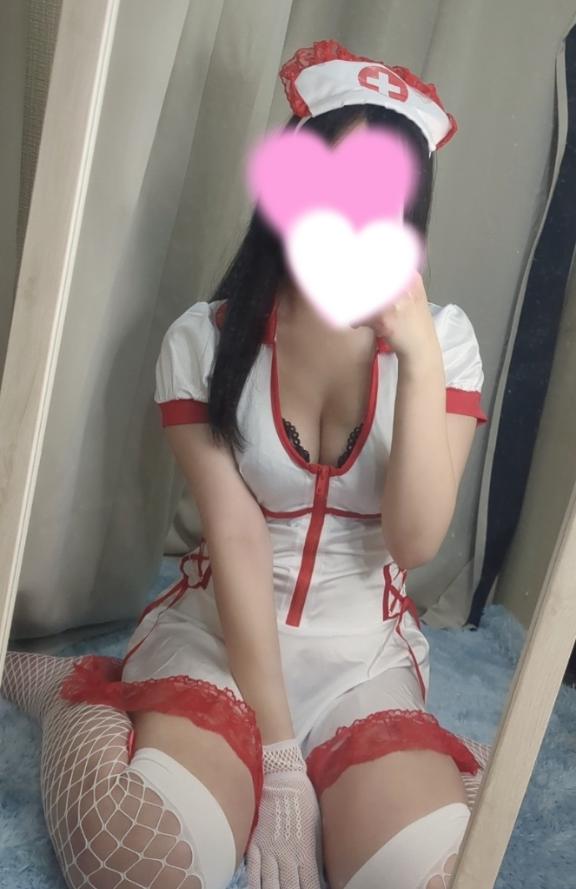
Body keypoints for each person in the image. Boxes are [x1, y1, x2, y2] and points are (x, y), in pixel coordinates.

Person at [1, 39, 491, 889]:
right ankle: (76, 694)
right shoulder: (204, 342)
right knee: (138, 862)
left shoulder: (446, 342)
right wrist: (280, 756)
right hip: (216, 637)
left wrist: (416, 360)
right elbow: (235, 536)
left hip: (364, 663)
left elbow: (413, 542)